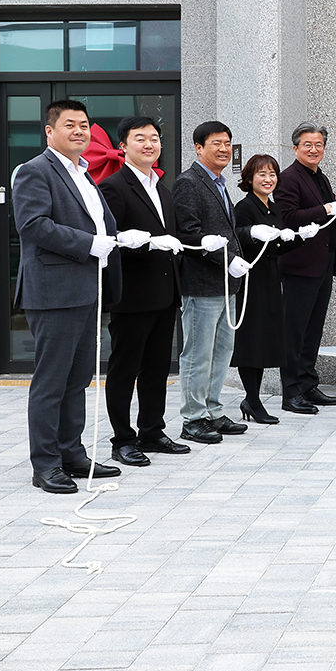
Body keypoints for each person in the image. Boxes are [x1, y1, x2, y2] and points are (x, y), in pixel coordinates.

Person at [12, 99, 128, 494]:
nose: (79, 131)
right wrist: (89, 244)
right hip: (54, 293)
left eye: (84, 125)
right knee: (52, 382)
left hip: (87, 290)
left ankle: (71, 453)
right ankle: (45, 464)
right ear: (50, 131)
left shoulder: (84, 173)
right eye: (70, 125)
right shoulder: (35, 171)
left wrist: (117, 238)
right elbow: (33, 225)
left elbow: (98, 224)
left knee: (77, 379)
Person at [96, 116, 190, 467]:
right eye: (140, 138)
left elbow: (173, 236)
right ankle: (122, 439)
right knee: (124, 371)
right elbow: (111, 240)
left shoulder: (162, 189)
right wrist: (146, 243)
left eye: (154, 138)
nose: (149, 144)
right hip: (133, 296)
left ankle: (152, 431)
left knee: (156, 370)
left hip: (165, 293)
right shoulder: (114, 187)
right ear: (123, 146)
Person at [274, 123, 336, 414]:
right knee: (294, 331)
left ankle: (308, 384)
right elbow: (289, 217)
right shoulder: (288, 178)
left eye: (319, 145)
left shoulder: (319, 176)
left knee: (313, 329)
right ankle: (291, 392)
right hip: (299, 265)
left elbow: (331, 214)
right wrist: (327, 208)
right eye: (307, 145)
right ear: (295, 148)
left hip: (323, 262)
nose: (314, 150)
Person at [170, 121, 252, 444]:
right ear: (198, 148)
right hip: (201, 285)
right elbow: (189, 233)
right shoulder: (188, 182)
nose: (224, 149)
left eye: (227, 143)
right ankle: (193, 418)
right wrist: (226, 258)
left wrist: (244, 243)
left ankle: (213, 411)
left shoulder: (219, 183)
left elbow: (225, 230)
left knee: (221, 353)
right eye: (216, 143)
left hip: (226, 285)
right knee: (198, 354)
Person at [232, 154, 293, 425]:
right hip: (250, 279)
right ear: (250, 178)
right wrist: (253, 232)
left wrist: (299, 236)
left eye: (272, 174)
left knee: (265, 339)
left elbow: (277, 246)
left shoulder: (274, 207)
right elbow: (237, 237)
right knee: (251, 341)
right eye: (262, 174)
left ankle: (252, 399)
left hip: (270, 278)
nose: (268, 179)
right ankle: (252, 400)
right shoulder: (244, 207)